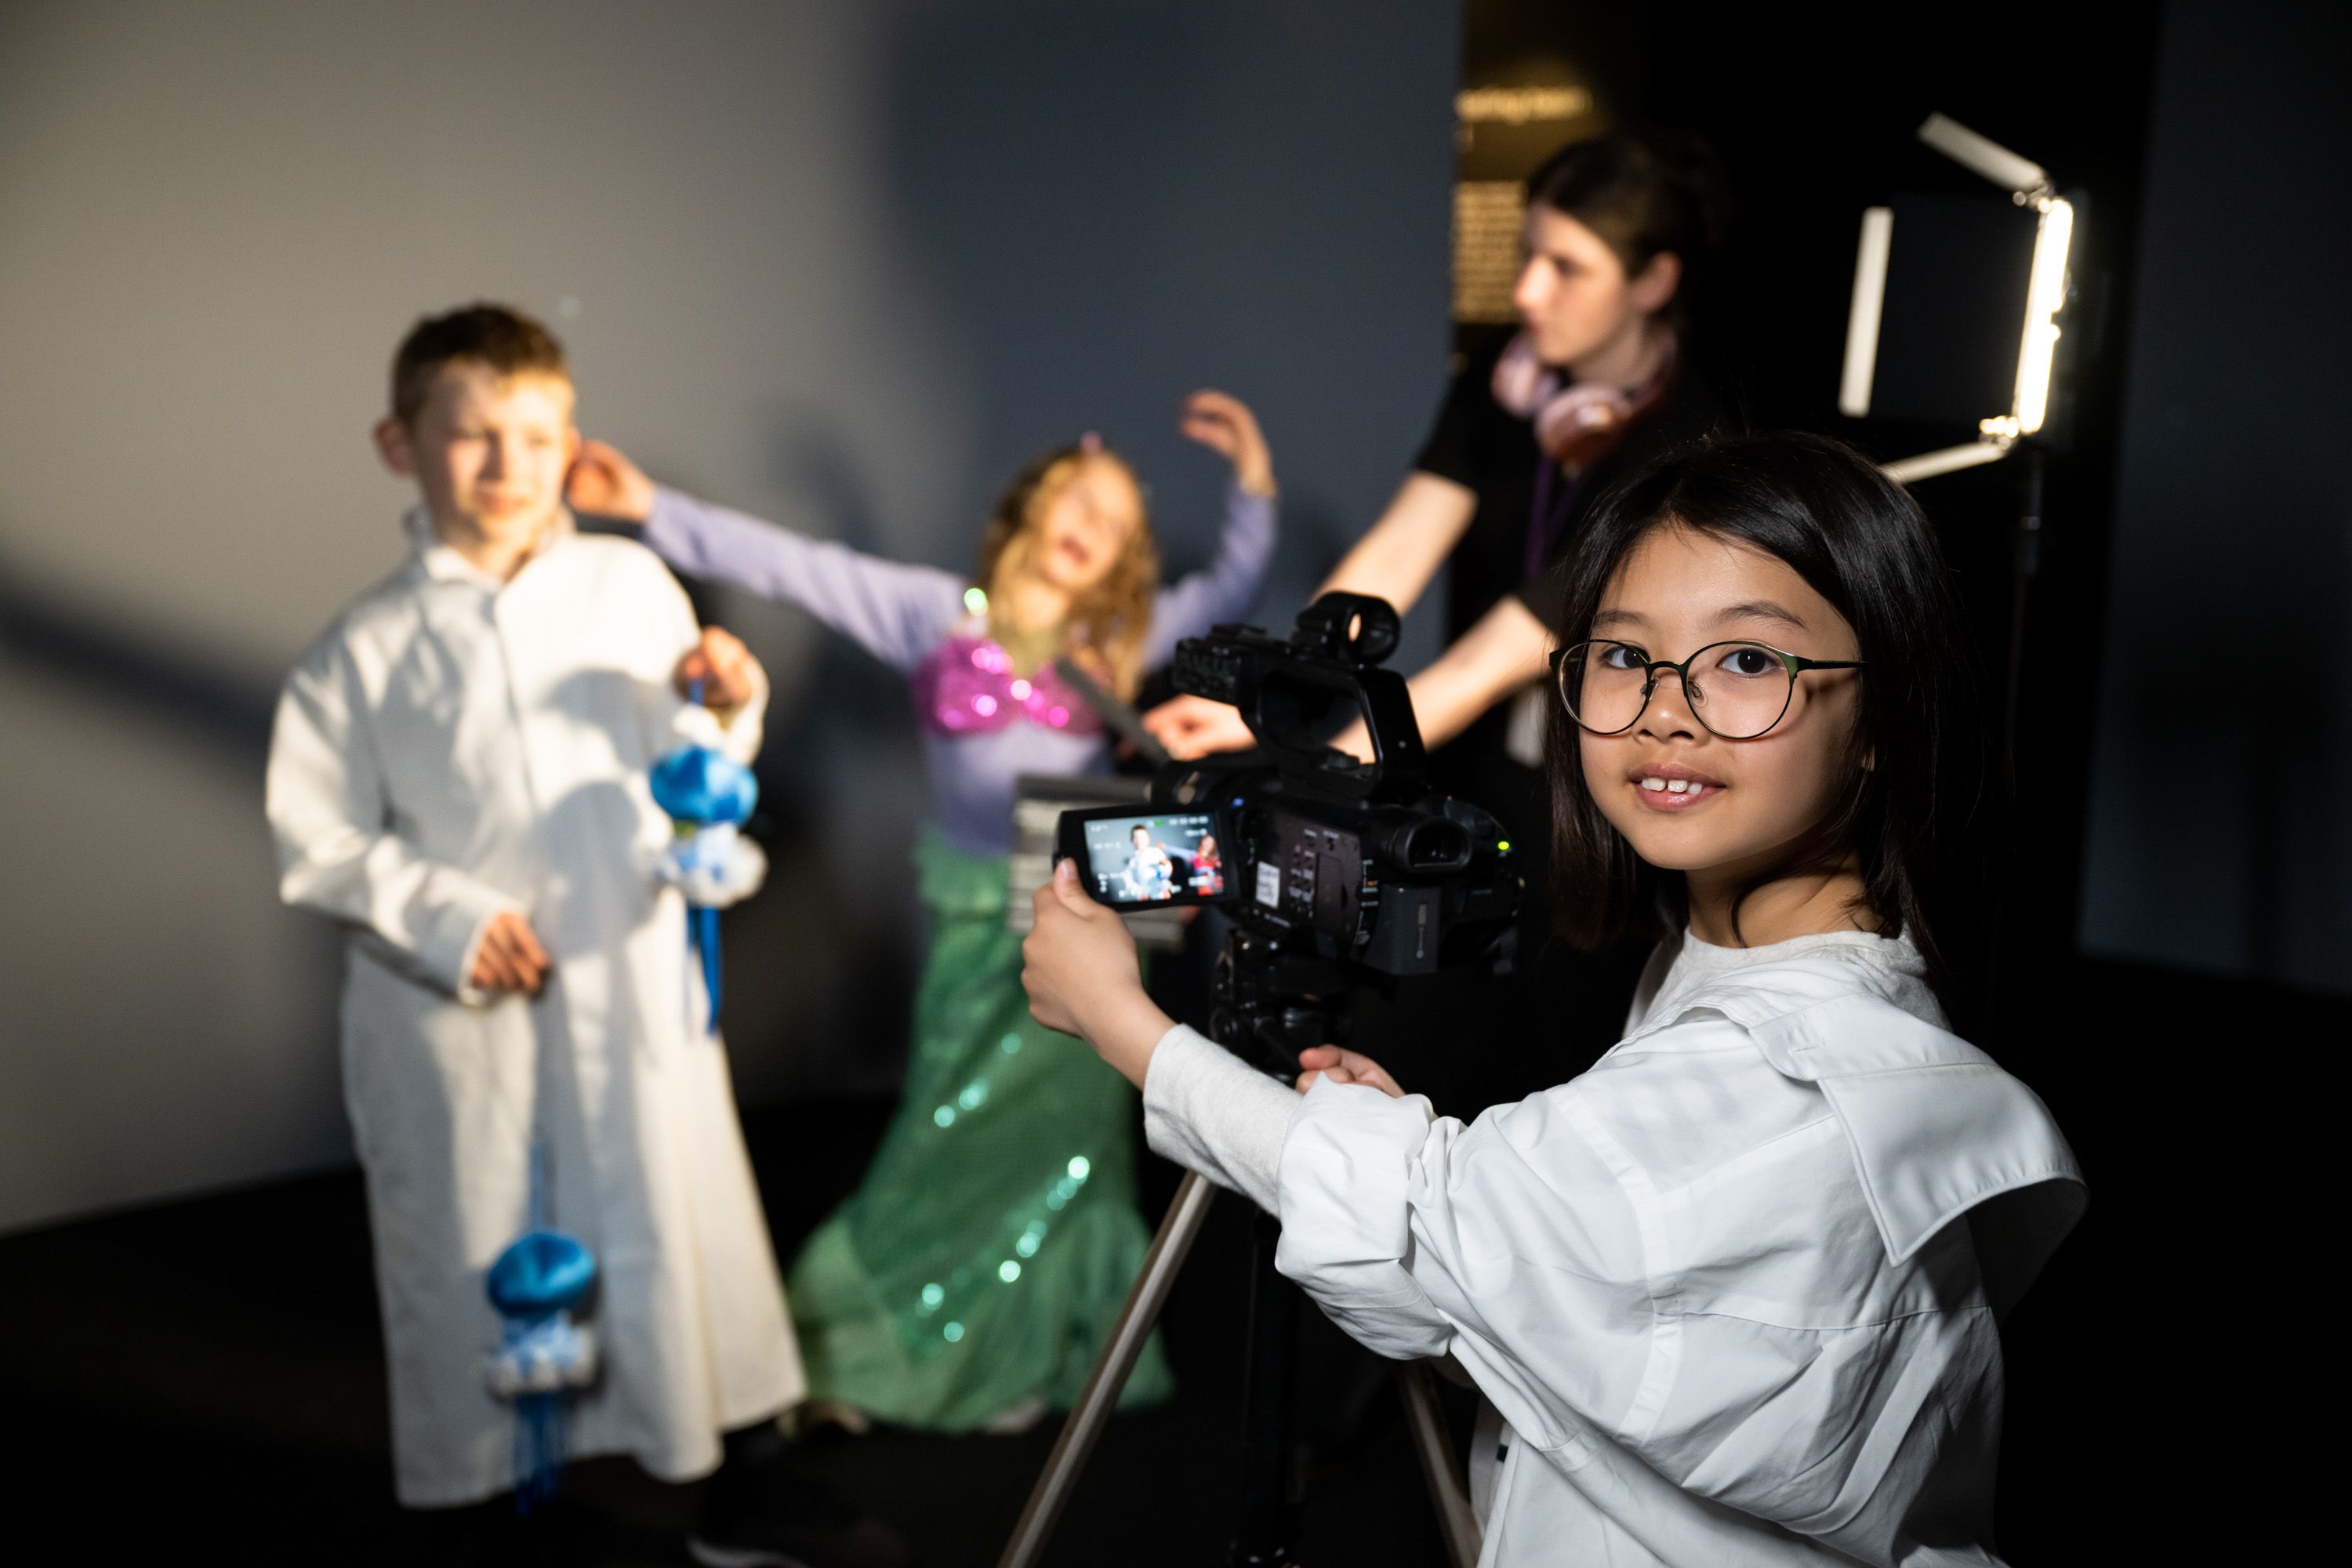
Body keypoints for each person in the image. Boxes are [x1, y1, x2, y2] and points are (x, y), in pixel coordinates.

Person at [1022, 433, 2084, 1565]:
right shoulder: (1723, 958)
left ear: (1880, 714)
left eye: (1747, 662)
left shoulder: (1785, 1068)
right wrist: (1410, 1158)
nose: (1664, 711)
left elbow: (1428, 1228)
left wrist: (1123, 1023)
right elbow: (1573, 1275)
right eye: (1623, 656)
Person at [267, 306, 904, 1567]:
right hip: (459, 1005)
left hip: (625, 966)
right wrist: (448, 918)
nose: (510, 466)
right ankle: (491, 1488)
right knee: (479, 1229)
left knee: (674, 1208)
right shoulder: (363, 648)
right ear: (401, 445)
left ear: (572, 441)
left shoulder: (629, 584)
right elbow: (319, 836)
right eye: (475, 436)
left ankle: (734, 1474)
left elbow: (694, 766)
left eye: (539, 434)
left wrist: (726, 703)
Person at [564, 393, 1277, 1432]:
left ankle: (1032, 1349)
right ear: (1033, 503)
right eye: (1079, 496)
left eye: (1117, 521)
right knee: (947, 1128)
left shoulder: (1119, 640)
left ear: (1124, 557)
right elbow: (794, 565)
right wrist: (651, 509)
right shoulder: (935, 610)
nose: (1092, 523)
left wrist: (1253, 483)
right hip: (972, 919)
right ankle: (876, 1340)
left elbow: (1232, 583)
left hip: (1082, 921)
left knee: (1067, 1144)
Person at [1145, 129, 1733, 1111]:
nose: (1530, 291)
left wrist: (1322, 749)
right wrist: (1274, 700)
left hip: (1602, 792)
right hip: (1485, 775)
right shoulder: (1500, 390)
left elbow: (1503, 649)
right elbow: (1395, 554)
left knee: (1550, 1049)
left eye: (1566, 266)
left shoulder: (1689, 440)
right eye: (1528, 256)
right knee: (1414, 1026)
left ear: (1653, 280)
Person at [1123, 823, 1178, 901]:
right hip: (1145, 899)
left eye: (1142, 837)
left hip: (1160, 896)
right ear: (1132, 840)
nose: (1139, 840)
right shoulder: (1132, 862)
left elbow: (1167, 870)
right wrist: (1139, 893)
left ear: (1148, 839)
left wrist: (1165, 865)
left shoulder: (1156, 852)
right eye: (1136, 837)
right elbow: (1128, 881)